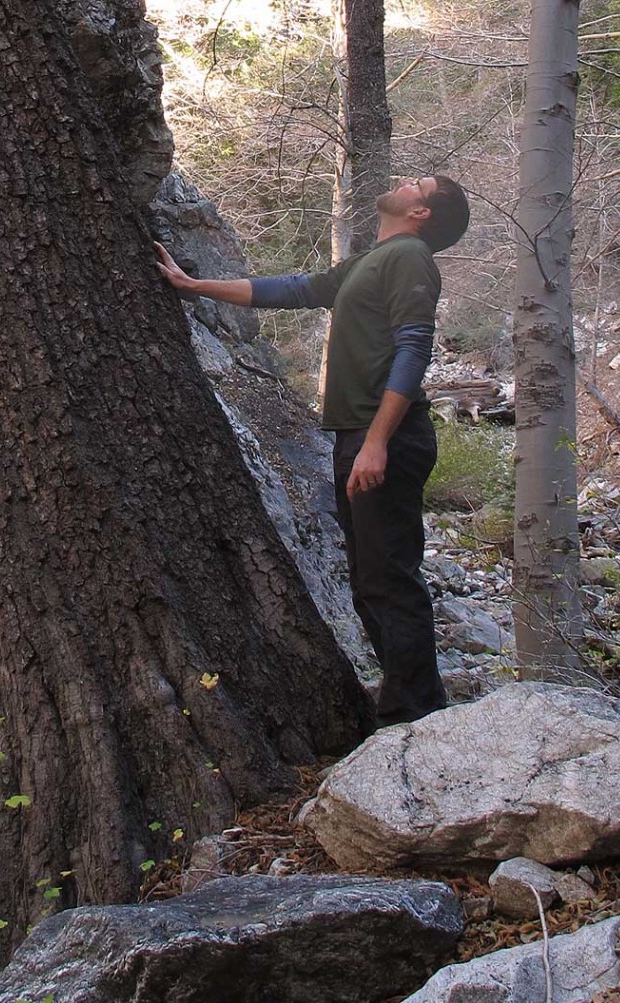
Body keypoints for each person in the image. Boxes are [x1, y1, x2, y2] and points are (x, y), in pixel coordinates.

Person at [155, 175, 470, 727]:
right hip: (363, 436)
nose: (401, 180)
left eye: (415, 183)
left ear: (422, 212)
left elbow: (414, 346)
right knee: (369, 578)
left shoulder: (411, 257)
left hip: (387, 437)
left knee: (389, 578)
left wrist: (377, 442)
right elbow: (294, 289)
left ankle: (417, 716)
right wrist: (194, 285)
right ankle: (408, 710)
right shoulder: (374, 259)